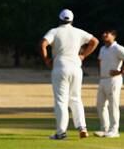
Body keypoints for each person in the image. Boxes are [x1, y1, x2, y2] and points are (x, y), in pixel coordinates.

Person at [39, 9, 96, 140]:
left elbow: (43, 43)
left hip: (60, 67)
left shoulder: (54, 31)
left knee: (61, 101)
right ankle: (82, 127)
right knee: (76, 98)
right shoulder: (79, 32)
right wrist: (83, 55)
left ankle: (61, 133)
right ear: (72, 20)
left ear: (59, 19)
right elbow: (94, 41)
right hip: (76, 68)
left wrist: (47, 60)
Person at [94, 29, 124, 138]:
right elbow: (99, 61)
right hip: (103, 79)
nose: (104, 35)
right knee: (100, 105)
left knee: (113, 105)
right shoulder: (102, 48)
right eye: (104, 33)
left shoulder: (117, 48)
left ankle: (114, 130)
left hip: (113, 80)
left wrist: (121, 71)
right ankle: (105, 128)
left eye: (107, 33)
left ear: (113, 36)